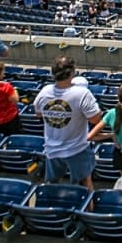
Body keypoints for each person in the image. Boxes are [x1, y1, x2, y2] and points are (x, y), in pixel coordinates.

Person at [34, 56, 101, 188]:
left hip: (52, 148)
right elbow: (95, 119)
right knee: (85, 183)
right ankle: (87, 208)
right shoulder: (82, 93)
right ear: (72, 73)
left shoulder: (44, 91)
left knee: (52, 185)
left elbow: (39, 113)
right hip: (77, 148)